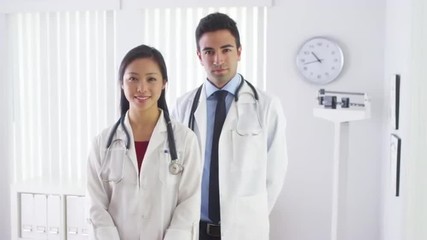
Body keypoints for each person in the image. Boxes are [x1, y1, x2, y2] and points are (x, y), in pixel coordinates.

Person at [171, 12, 288, 240]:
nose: (218, 60)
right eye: (209, 52)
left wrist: (251, 216)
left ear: (239, 52)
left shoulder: (265, 105)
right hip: (193, 229)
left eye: (226, 50)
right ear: (199, 55)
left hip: (244, 230)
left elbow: (275, 175)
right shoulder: (183, 106)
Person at [87, 44, 201, 240]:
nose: (141, 88)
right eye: (133, 78)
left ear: (164, 83)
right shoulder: (102, 143)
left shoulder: (185, 140)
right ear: (121, 83)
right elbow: (96, 206)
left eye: (151, 79)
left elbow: (189, 203)